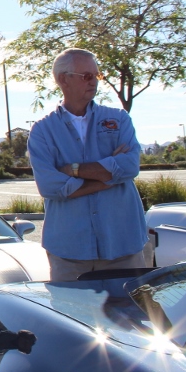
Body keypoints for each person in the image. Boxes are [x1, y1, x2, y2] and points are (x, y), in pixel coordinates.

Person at [28, 47, 148, 281]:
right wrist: (111, 177)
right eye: (87, 76)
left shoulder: (119, 119)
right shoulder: (43, 130)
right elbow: (51, 187)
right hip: (69, 253)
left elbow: (131, 166)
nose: (94, 82)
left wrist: (73, 171)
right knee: (69, 317)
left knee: (129, 317)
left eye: (97, 75)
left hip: (123, 247)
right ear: (64, 79)